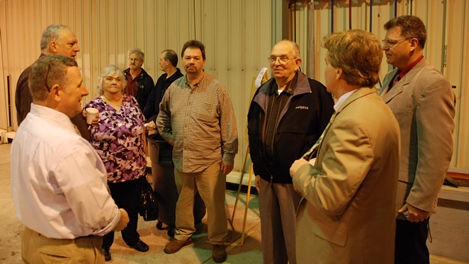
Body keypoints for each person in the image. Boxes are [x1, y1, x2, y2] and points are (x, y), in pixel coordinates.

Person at [289, 29, 401, 263]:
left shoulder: (354, 121)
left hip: (341, 248)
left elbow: (329, 197)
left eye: (328, 63)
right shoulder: (370, 105)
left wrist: (300, 171)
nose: (325, 70)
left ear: (339, 71)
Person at [10, 55, 129, 264]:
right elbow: (97, 214)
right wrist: (119, 218)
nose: (85, 91)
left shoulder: (27, 127)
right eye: (79, 85)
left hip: (32, 242)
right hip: (64, 252)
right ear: (56, 92)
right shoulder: (67, 146)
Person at [247, 40, 334, 264]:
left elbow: (326, 138)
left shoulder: (315, 93)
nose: (277, 63)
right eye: (273, 58)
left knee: (298, 239)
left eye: (283, 58)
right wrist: (258, 169)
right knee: (270, 239)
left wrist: (313, 173)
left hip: (297, 183)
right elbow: (254, 131)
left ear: (297, 62)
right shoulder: (263, 92)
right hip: (267, 179)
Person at [379, 15, 456, 264]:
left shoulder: (432, 83)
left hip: (407, 200)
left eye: (391, 42)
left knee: (408, 256)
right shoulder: (392, 77)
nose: (384, 47)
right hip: (386, 192)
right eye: (385, 41)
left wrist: (421, 201)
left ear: (412, 43)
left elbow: (437, 149)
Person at [156, 40, 238, 263]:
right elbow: (161, 116)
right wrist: (171, 137)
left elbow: (228, 123)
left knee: (215, 203)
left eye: (196, 58)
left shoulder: (216, 88)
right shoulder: (174, 88)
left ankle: (218, 240)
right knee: (183, 200)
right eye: (187, 58)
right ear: (182, 61)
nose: (191, 62)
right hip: (181, 158)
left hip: (209, 159)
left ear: (204, 61)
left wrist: (228, 155)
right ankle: (183, 234)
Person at [84, 65, 150, 261]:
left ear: (123, 84)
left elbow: (141, 129)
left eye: (118, 79)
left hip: (134, 169)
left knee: (131, 208)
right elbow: (85, 136)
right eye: (109, 79)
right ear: (101, 83)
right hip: (106, 172)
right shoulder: (93, 107)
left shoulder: (132, 102)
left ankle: (131, 238)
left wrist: (144, 157)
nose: (114, 82)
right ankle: (105, 244)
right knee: (106, 210)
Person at [14, 24, 90, 139]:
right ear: (53, 46)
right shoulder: (36, 76)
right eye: (71, 44)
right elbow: (33, 128)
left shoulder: (55, 73)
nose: (77, 49)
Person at [143, 49, 183, 123]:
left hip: (169, 121)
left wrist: (155, 122)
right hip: (155, 117)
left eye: (161, 60)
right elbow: (151, 100)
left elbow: (174, 109)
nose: (159, 62)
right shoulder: (161, 79)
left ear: (167, 62)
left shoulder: (180, 81)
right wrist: (143, 117)